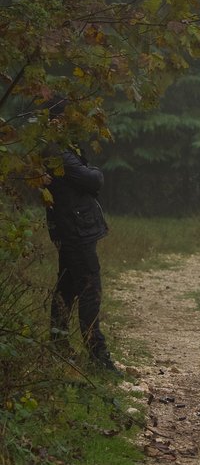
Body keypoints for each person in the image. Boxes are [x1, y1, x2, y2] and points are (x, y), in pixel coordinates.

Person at [44, 99, 121, 374]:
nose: (76, 123)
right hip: (75, 231)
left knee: (66, 287)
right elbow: (93, 180)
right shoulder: (58, 153)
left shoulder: (60, 149)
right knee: (90, 288)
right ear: (58, 121)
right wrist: (95, 171)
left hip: (71, 229)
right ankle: (97, 355)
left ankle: (59, 345)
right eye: (70, 118)